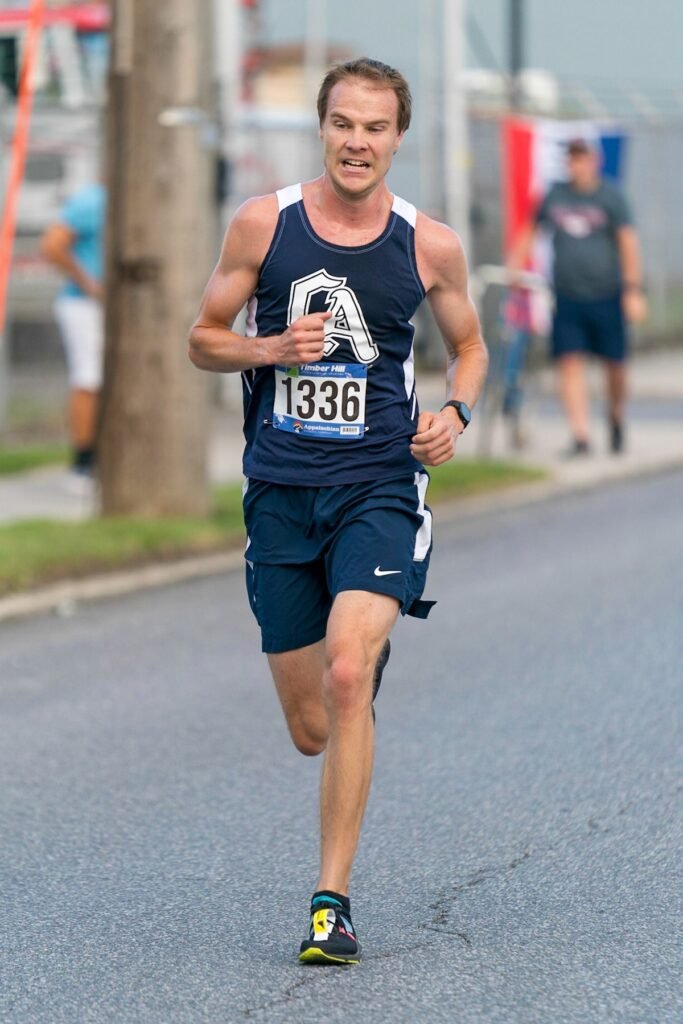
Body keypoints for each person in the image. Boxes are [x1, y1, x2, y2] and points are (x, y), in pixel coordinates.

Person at [189, 57, 488, 964]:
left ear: (399, 138)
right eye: (343, 124)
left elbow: (469, 347)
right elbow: (203, 339)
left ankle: (331, 905)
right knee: (312, 728)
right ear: (322, 128)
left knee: (348, 674)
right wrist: (270, 348)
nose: (357, 142)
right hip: (281, 493)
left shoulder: (427, 243)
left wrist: (453, 414)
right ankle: (353, 659)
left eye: (375, 127)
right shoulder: (263, 222)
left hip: (379, 486)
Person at [508, 137, 646, 455]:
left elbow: (627, 242)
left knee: (615, 366)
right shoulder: (555, 195)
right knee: (569, 362)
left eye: (581, 158)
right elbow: (531, 229)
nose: (575, 165)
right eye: (571, 159)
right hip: (567, 296)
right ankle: (581, 435)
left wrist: (632, 290)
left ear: (594, 161)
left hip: (606, 294)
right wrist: (516, 265)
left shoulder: (610, 197)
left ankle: (615, 414)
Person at [40, 181, 106, 481]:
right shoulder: (93, 200)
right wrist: (88, 282)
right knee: (88, 377)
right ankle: (83, 461)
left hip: (108, 308)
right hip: (84, 304)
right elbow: (52, 244)